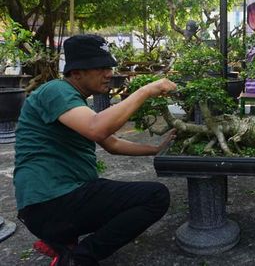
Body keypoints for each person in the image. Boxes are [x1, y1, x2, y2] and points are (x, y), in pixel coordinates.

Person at [13, 34, 178, 266]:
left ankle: (60, 241)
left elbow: (113, 144)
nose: (109, 74)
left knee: (118, 204)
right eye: (100, 68)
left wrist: (156, 148)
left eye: (109, 67)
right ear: (76, 73)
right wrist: (145, 91)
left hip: (53, 206)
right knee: (155, 197)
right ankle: (78, 258)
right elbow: (97, 129)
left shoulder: (73, 99)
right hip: (51, 203)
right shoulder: (56, 90)